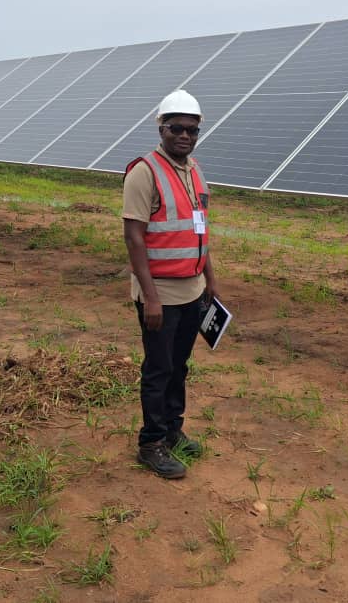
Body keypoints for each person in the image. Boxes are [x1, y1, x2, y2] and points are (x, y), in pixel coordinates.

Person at [122, 89, 219, 479]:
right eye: (176, 128)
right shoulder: (144, 172)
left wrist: (210, 279)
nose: (184, 135)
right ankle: (151, 443)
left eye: (192, 129)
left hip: (192, 290)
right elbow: (134, 237)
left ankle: (173, 430)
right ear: (160, 128)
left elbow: (200, 228)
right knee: (159, 368)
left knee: (179, 366)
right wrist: (151, 297)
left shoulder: (194, 169)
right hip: (160, 294)